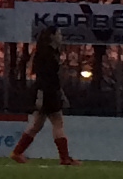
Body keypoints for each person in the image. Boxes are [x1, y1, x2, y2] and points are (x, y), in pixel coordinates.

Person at [9, 19, 76, 166]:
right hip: (48, 93)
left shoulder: (46, 53)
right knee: (57, 123)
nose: (61, 37)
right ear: (52, 36)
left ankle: (17, 152)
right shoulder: (48, 56)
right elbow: (47, 78)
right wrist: (47, 94)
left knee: (36, 125)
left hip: (47, 92)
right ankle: (64, 158)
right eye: (59, 34)